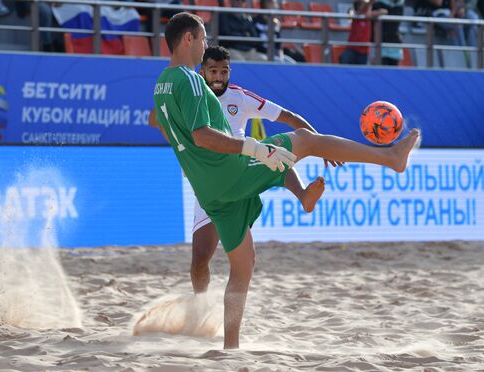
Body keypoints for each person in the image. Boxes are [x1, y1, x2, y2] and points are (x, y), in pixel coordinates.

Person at [153, 11, 420, 349]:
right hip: (226, 171)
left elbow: (178, 133)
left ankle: (230, 349)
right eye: (203, 38)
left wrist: (207, 158)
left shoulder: (161, 84)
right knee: (306, 140)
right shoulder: (189, 79)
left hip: (208, 189)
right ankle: (391, 158)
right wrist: (252, 147)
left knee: (243, 263)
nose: (205, 44)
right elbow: (204, 136)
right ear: (188, 38)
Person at [150, 45, 327, 294]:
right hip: (208, 181)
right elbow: (156, 118)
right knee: (200, 260)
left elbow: (287, 116)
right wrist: (181, 146)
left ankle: (303, 195)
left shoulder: (240, 97)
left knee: (273, 155)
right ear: (202, 71)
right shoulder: (189, 93)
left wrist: (320, 142)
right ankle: (200, 305)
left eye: (224, 71)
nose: (219, 77)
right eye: (213, 71)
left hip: (240, 166)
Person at [340, 0, 387, 65]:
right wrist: (370, 2)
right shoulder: (355, 16)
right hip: (352, 50)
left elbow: (384, 11)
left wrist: (372, 8)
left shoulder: (369, 17)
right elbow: (362, 11)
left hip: (364, 53)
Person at [372, 0, 404, 66]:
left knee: (393, 72)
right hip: (381, 44)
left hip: (394, 44)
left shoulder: (400, 5)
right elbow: (374, 25)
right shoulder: (379, 4)